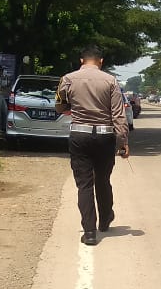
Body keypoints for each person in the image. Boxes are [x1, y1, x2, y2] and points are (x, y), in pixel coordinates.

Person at [55, 46, 130, 246]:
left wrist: (72, 107)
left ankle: (89, 232)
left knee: (84, 185)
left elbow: (59, 105)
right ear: (101, 61)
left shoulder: (67, 79)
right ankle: (105, 218)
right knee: (103, 179)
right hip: (105, 137)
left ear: (81, 60)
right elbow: (118, 114)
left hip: (80, 136)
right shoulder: (111, 81)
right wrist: (122, 142)